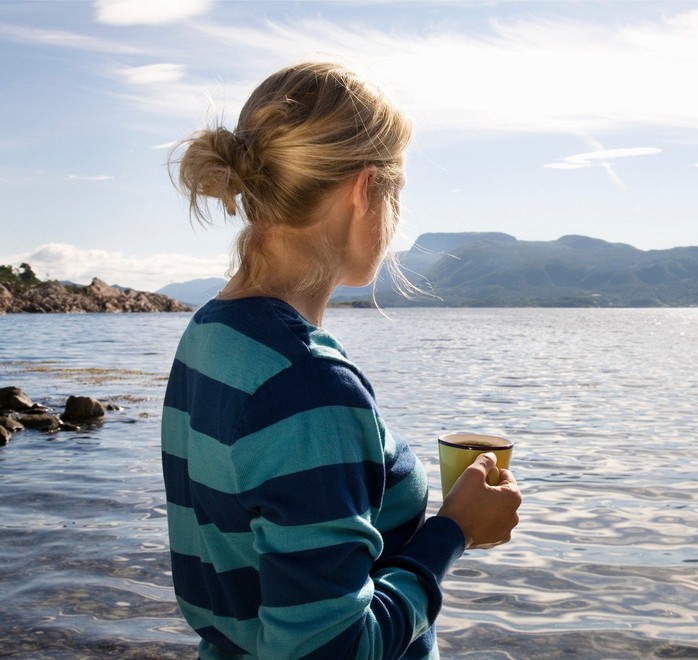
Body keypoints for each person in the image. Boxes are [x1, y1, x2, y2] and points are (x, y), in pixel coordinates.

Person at [161, 61, 522, 660]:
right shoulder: (308, 383)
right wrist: (453, 533)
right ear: (365, 190)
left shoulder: (212, 332)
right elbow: (332, 649)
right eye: (398, 194)